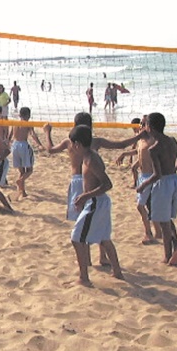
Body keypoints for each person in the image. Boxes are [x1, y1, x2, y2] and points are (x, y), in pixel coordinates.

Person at [43, 112, 145, 266]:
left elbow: (50, 149)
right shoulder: (94, 141)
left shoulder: (70, 142)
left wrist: (47, 132)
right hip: (91, 182)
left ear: (74, 125)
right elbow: (121, 144)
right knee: (94, 220)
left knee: (84, 221)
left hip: (81, 182)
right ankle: (101, 256)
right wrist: (138, 137)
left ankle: (87, 259)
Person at [68, 124, 123, 285]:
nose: (72, 148)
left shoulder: (91, 159)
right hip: (97, 201)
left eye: (73, 145)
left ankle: (84, 278)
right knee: (104, 238)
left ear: (77, 144)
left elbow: (107, 184)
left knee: (77, 238)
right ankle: (117, 272)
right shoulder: (88, 156)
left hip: (96, 202)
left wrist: (85, 196)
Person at [136, 112, 177, 265]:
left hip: (163, 182)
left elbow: (157, 175)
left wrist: (143, 185)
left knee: (163, 222)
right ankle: (176, 245)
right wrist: (172, 170)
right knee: (167, 217)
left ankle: (167, 255)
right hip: (175, 180)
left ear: (149, 127)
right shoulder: (172, 140)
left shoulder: (154, 148)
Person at [116, 118, 163, 245]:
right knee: (148, 205)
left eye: (144, 124)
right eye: (140, 124)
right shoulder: (140, 139)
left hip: (151, 176)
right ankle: (157, 232)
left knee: (141, 206)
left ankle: (149, 233)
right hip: (143, 175)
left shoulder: (153, 140)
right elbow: (138, 152)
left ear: (150, 126)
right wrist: (125, 154)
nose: (141, 126)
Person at [9, 107, 44, 200]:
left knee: (21, 171)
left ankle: (22, 192)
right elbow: (33, 134)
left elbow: (10, 135)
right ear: (28, 115)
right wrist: (39, 144)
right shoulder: (28, 124)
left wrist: (7, 143)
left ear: (19, 115)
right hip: (23, 146)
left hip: (15, 145)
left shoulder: (14, 123)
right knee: (29, 170)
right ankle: (20, 181)